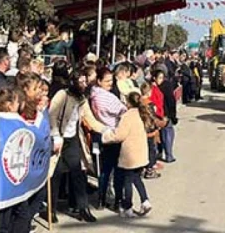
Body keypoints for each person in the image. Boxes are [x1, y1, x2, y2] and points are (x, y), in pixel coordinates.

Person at [49, 69, 106, 223]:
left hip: (73, 138)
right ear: (73, 81)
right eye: (80, 82)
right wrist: (55, 135)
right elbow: (52, 114)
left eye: (85, 82)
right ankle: (51, 210)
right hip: (59, 138)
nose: (83, 85)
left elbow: (90, 119)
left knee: (79, 173)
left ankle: (83, 208)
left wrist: (106, 130)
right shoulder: (63, 95)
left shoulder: (82, 99)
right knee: (56, 174)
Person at [102, 91, 153, 219]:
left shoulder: (127, 116)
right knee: (137, 178)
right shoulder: (141, 114)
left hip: (130, 155)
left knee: (127, 182)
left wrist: (107, 136)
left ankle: (128, 207)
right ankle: (145, 201)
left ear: (128, 102)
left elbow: (120, 135)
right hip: (141, 153)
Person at [90, 67, 127, 212]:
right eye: (106, 81)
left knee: (104, 170)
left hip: (100, 134)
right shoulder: (105, 97)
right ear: (99, 81)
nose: (110, 83)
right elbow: (122, 110)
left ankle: (101, 199)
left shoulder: (92, 95)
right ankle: (117, 200)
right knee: (116, 169)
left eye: (111, 80)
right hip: (112, 133)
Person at [153, 69, 178, 163]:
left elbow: (171, 101)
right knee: (167, 133)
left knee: (165, 133)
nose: (161, 80)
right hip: (162, 114)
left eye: (162, 78)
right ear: (154, 78)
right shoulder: (162, 87)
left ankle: (165, 154)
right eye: (159, 78)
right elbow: (171, 101)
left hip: (164, 113)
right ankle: (168, 155)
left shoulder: (164, 86)